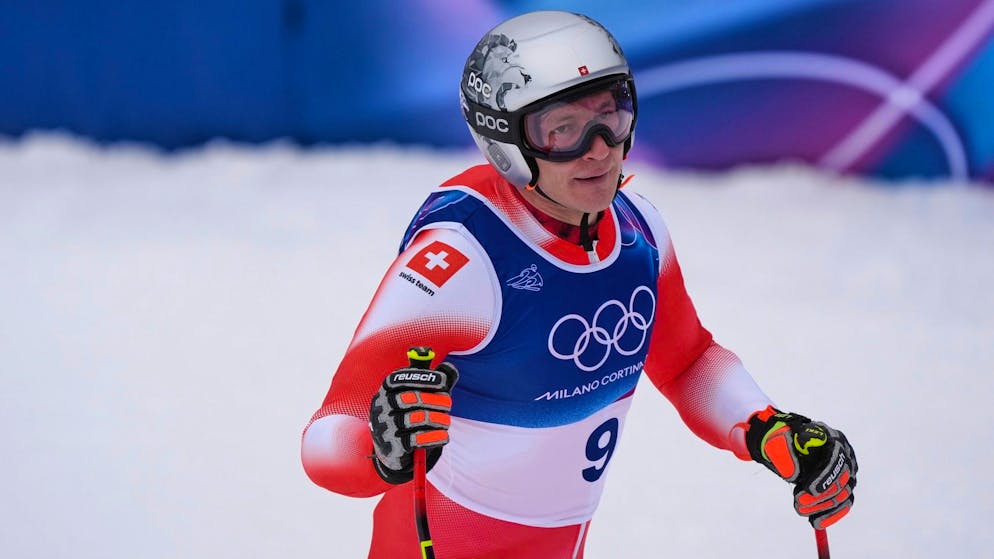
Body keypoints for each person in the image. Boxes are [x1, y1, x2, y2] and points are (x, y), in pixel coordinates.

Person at [301, 10, 857, 559]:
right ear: (506, 141)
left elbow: (687, 361)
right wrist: (382, 450)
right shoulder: (462, 261)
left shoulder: (639, 230)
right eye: (563, 130)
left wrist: (769, 429)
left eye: (610, 116)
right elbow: (325, 439)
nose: (598, 149)